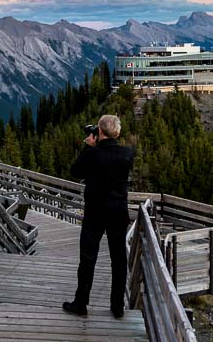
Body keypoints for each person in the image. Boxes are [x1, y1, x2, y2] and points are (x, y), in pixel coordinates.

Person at [62, 114, 134, 319]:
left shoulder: (92, 154)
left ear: (99, 132)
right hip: (119, 212)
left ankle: (81, 303)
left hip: (95, 213)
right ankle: (117, 306)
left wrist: (88, 147)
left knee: (87, 259)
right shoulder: (127, 154)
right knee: (118, 260)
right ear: (118, 133)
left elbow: (75, 171)